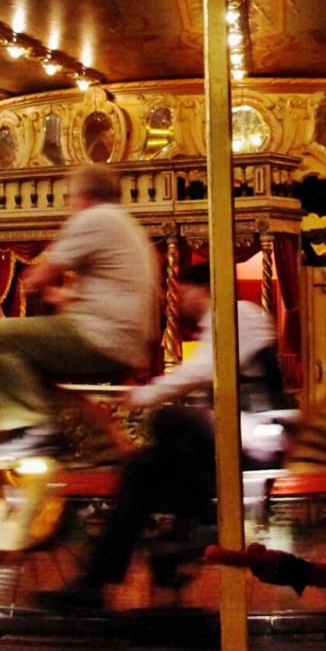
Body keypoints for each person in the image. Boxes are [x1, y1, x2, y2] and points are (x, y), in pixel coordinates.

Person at [37, 262, 294, 611]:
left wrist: (146, 394)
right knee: (139, 468)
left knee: (169, 419)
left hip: (254, 437)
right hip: (227, 438)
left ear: (202, 290)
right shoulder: (215, 326)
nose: (178, 299)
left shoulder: (240, 314)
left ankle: (207, 521)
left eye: (182, 291)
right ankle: (94, 582)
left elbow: (207, 367)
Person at [0, 165, 160, 462]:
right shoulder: (127, 225)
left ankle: (35, 428)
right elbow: (110, 290)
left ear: (84, 196)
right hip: (127, 344)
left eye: (71, 196)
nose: (69, 204)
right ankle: (47, 427)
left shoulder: (95, 218)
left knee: (0, 336)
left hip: (101, 337)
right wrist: (67, 295)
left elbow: (39, 275)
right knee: (32, 360)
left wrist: (38, 284)